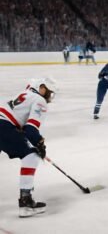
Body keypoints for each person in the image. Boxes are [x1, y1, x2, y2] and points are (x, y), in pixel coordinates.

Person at [0, 78, 57, 217]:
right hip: (3, 126)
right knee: (31, 155)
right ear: (42, 88)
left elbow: (22, 127)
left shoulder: (25, 94)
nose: (49, 97)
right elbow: (31, 130)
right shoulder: (39, 100)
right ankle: (26, 202)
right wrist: (39, 145)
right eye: (49, 92)